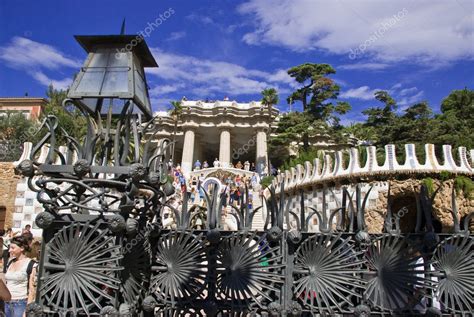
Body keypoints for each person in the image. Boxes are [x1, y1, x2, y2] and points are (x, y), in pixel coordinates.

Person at [4, 236, 37, 317]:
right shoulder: (10, 262)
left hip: (20, 304)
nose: (9, 250)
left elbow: (32, 291)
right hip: (6, 303)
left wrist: (26, 311)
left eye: (13, 248)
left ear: (22, 248)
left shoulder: (31, 264)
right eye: (9, 247)